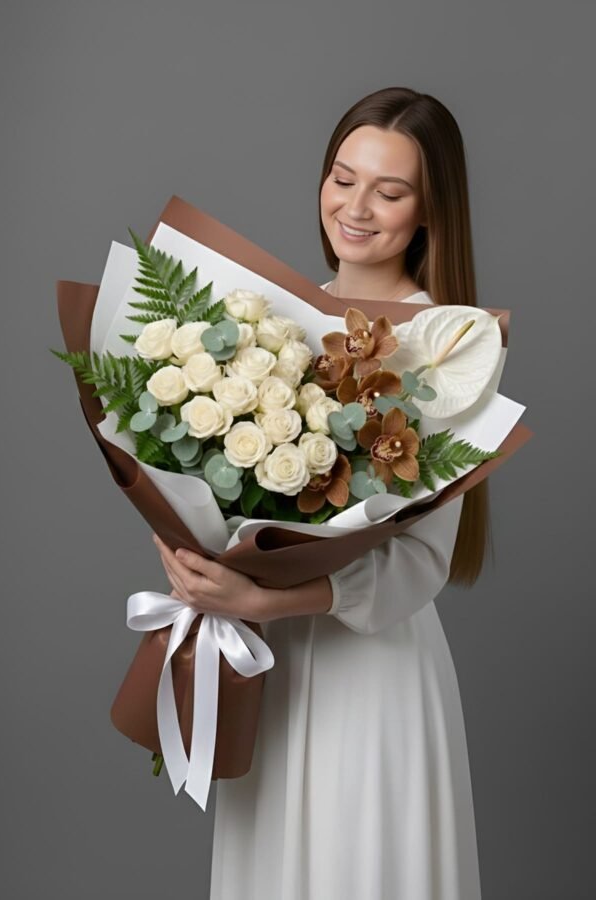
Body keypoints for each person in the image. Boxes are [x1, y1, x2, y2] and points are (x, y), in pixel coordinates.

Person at [153, 86, 487, 900]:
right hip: (273, 671)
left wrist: (271, 602)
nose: (357, 207)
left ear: (428, 212)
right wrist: (189, 545)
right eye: (343, 177)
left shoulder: (445, 345)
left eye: (390, 190)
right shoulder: (272, 323)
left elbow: (422, 563)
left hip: (370, 676)